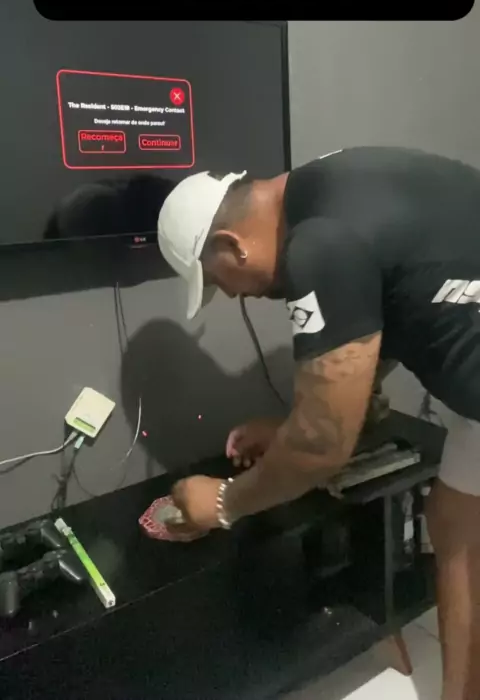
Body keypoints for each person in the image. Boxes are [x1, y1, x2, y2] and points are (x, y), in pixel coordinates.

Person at [157, 146, 480, 700]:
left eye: (217, 280)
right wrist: (295, 424)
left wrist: (222, 503)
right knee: (454, 521)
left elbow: (322, 444)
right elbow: (382, 320)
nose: (232, 294)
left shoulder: (318, 244)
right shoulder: (330, 185)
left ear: (231, 246)